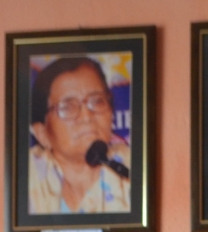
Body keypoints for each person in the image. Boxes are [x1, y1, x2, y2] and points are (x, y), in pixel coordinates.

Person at [28, 57, 131, 214]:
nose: (86, 116)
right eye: (67, 107)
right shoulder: (27, 176)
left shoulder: (132, 168)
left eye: (97, 101)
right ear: (43, 134)